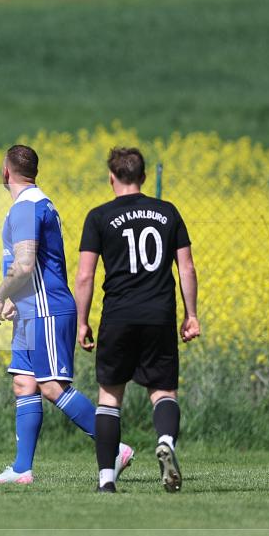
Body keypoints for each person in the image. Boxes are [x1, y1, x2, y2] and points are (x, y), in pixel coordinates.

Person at [0, 145, 134, 485]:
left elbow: (24, 263)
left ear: (6, 172)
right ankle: (22, 469)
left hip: (46, 309)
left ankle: (115, 448)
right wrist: (15, 299)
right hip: (30, 308)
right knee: (24, 383)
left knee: (51, 387)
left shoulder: (27, 206)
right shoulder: (38, 202)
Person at [75, 147, 200, 493]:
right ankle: (166, 442)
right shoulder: (167, 212)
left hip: (117, 315)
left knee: (110, 396)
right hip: (159, 314)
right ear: (143, 177)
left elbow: (85, 276)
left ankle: (106, 480)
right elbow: (186, 267)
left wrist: (82, 321)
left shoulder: (98, 217)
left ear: (111, 177)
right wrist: (191, 315)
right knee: (163, 391)